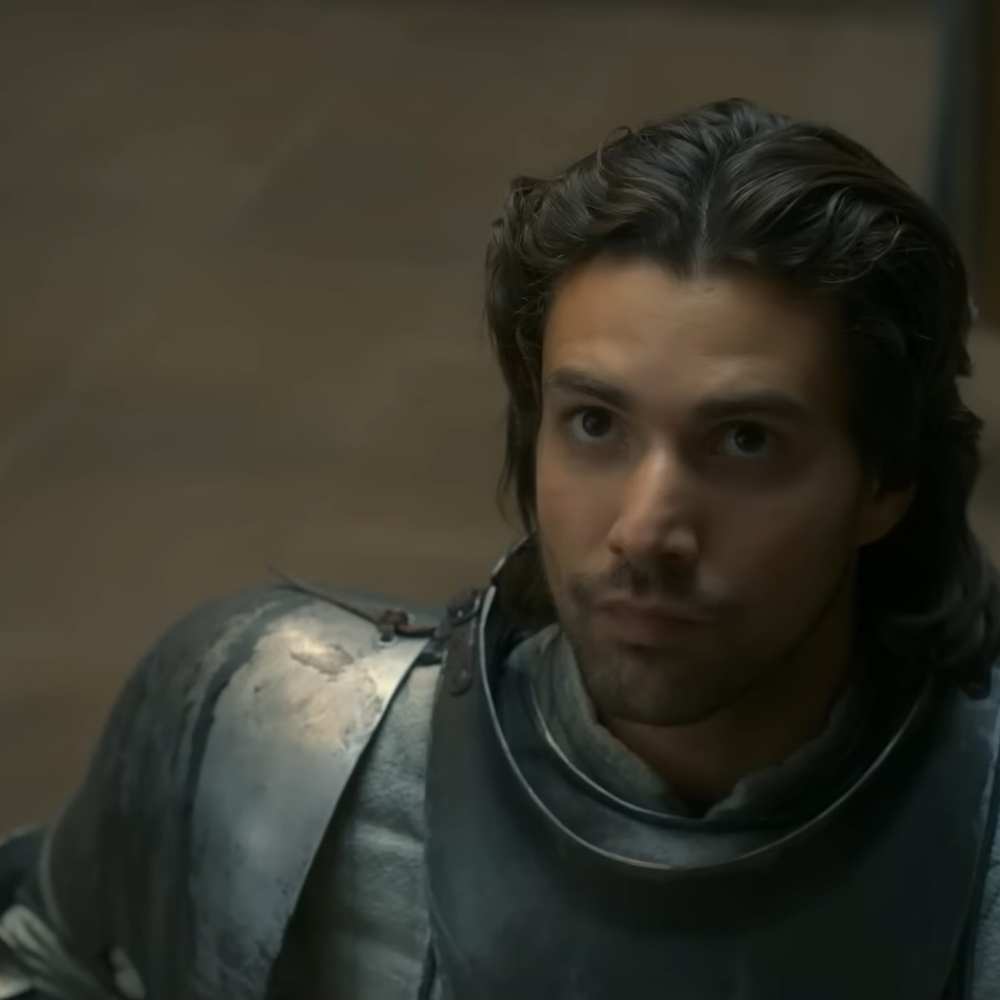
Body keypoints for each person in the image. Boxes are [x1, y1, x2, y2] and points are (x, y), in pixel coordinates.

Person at [1, 97, 999, 1000]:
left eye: (744, 440)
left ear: (885, 481)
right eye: (596, 424)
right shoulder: (261, 721)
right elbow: (44, 958)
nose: (646, 528)